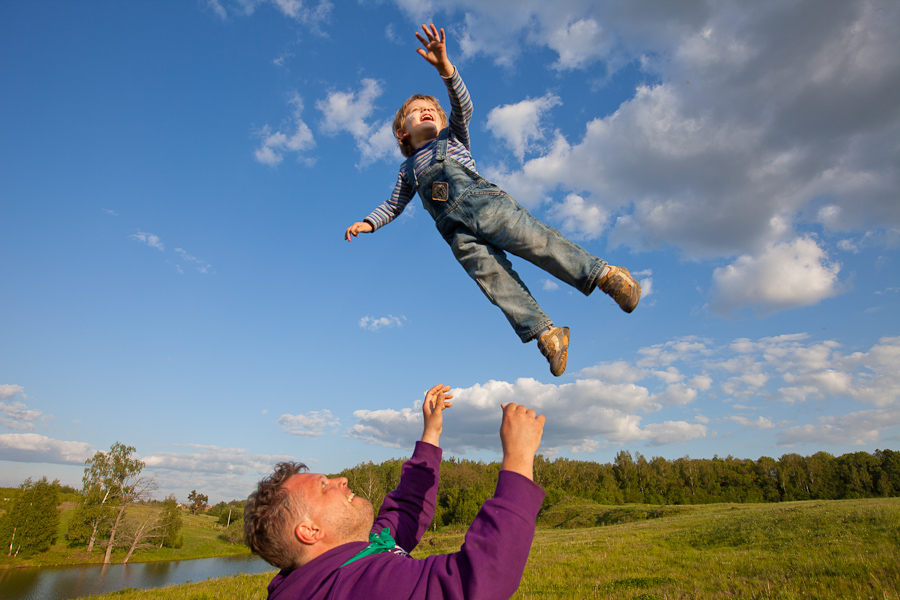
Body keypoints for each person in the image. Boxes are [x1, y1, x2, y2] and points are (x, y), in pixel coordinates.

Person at [344, 24, 641, 377]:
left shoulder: (453, 138)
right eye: (416, 111)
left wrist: (445, 69)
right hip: (459, 236)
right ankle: (548, 335)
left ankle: (607, 277)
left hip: (489, 208)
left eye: (432, 111)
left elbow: (462, 107)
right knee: (496, 283)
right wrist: (368, 222)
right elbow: (393, 205)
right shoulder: (407, 171)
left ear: (442, 122)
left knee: (539, 243)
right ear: (402, 132)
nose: (426, 112)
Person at [244, 383, 546, 600]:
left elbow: (405, 510)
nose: (342, 480)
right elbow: (478, 579)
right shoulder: (358, 588)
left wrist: (431, 432)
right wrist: (518, 458)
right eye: (324, 487)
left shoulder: (354, 552)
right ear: (309, 531)